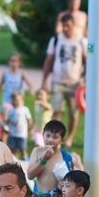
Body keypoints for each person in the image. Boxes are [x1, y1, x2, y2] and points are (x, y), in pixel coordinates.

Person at [40, 13, 87, 148]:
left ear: (73, 25)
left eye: (68, 26)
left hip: (75, 84)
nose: (65, 28)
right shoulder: (56, 39)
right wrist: (44, 80)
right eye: (63, 25)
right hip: (58, 82)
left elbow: (86, 61)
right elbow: (49, 60)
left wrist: (85, 80)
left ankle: (69, 138)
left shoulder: (81, 41)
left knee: (73, 113)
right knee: (57, 111)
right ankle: (55, 139)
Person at [0, 53, 34, 118]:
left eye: (16, 61)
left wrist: (31, 90)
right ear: (9, 62)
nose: (14, 64)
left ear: (19, 63)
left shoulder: (22, 73)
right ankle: (6, 127)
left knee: (18, 117)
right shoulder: (5, 73)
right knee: (7, 117)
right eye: (12, 61)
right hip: (7, 99)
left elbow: (30, 84)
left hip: (18, 100)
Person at [5, 91, 33, 162]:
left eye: (17, 100)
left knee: (22, 150)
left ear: (21, 100)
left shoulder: (25, 109)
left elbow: (29, 120)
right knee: (13, 150)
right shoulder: (10, 111)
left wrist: (30, 129)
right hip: (12, 134)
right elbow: (7, 121)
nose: (15, 102)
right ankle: (15, 163)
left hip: (21, 134)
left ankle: (26, 162)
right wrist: (4, 126)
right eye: (13, 100)